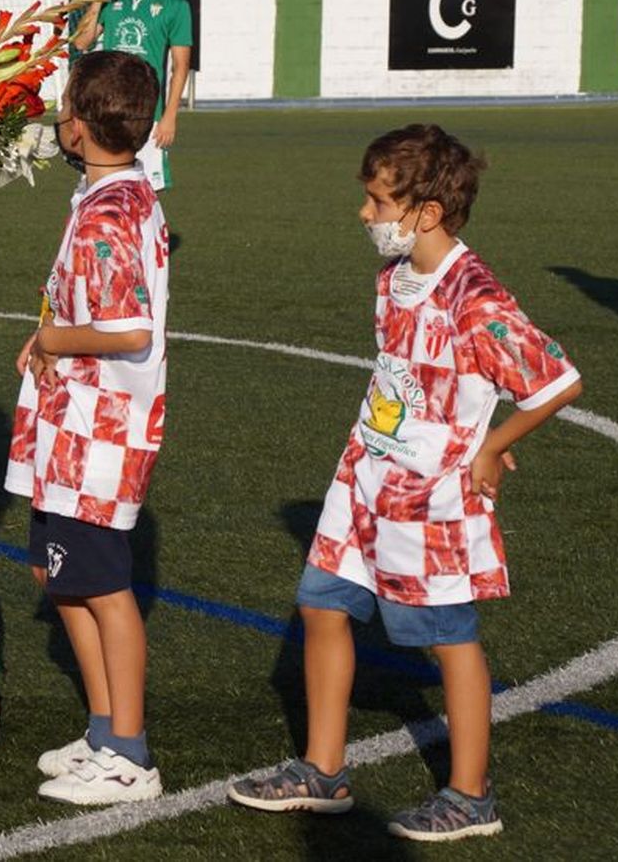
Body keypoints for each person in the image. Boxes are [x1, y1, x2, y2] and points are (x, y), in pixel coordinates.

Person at [227, 124, 582, 842]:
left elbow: (557, 382)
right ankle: (323, 772)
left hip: (431, 497)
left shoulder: (475, 297)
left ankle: (471, 794)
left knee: (448, 637)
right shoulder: (393, 279)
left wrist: (492, 445)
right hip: (363, 475)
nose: (365, 215)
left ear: (426, 212)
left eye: (378, 201)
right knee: (322, 605)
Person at [6, 51, 169, 805]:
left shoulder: (111, 211)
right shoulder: (111, 189)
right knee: (60, 575)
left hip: (101, 427)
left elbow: (127, 329)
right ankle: (104, 730)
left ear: (82, 122)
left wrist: (52, 340)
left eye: (66, 105)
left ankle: (131, 754)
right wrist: (49, 334)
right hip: (70, 420)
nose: (57, 117)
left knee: (104, 586)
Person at [69, 0, 192, 193]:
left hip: (146, 113)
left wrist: (170, 116)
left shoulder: (175, 4)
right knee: (95, 188)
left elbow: (180, 67)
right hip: (104, 110)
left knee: (144, 192)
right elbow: (81, 42)